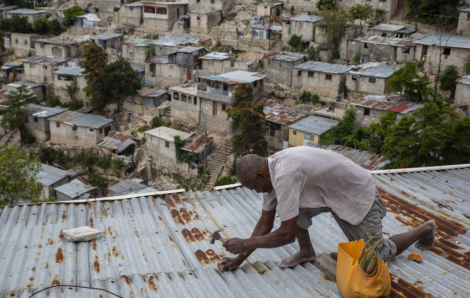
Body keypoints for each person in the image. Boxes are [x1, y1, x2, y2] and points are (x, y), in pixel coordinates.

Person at [219, 147, 436, 271]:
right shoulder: (270, 174)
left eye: (254, 187)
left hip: (353, 192)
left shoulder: (285, 176)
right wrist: (238, 260)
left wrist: (245, 243)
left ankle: (425, 228)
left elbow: (286, 235)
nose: (256, 191)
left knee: (379, 255)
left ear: (261, 176)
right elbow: (265, 224)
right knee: (291, 209)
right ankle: (307, 252)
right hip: (327, 193)